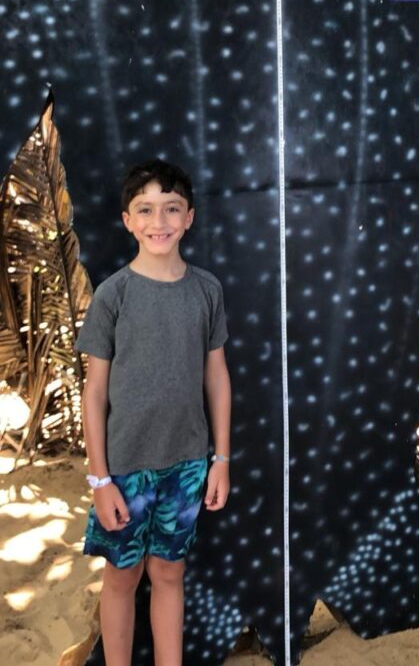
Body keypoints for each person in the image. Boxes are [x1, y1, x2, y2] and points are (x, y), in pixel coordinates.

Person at [76, 158, 231, 666]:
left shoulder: (206, 290)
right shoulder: (113, 295)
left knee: (169, 574)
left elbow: (216, 376)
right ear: (127, 220)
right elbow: (94, 392)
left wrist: (220, 460)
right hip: (122, 469)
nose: (158, 220)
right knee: (122, 577)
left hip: (187, 464)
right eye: (145, 209)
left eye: (171, 209)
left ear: (189, 217)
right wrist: (100, 480)